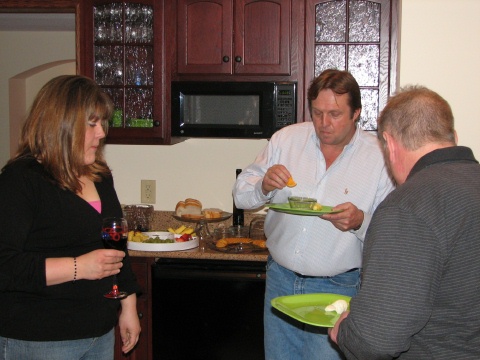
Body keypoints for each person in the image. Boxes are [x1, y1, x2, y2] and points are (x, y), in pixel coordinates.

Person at [233, 69, 395, 360]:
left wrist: (360, 221)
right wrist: (263, 186)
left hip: (337, 288)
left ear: (356, 113)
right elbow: (240, 196)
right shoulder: (286, 140)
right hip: (280, 279)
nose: (323, 123)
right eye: (317, 113)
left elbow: (391, 233)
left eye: (334, 114)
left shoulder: (379, 157)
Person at [328, 86, 480, 359]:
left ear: (390, 143)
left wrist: (346, 333)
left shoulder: (407, 207)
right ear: (454, 138)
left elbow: (375, 340)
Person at [0, 75, 141, 359]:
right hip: (39, 338)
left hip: (99, 331)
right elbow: (5, 266)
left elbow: (116, 248)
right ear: (61, 124)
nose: (102, 133)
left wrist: (128, 306)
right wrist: (78, 267)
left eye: (102, 122)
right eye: (92, 124)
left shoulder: (100, 175)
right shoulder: (21, 180)